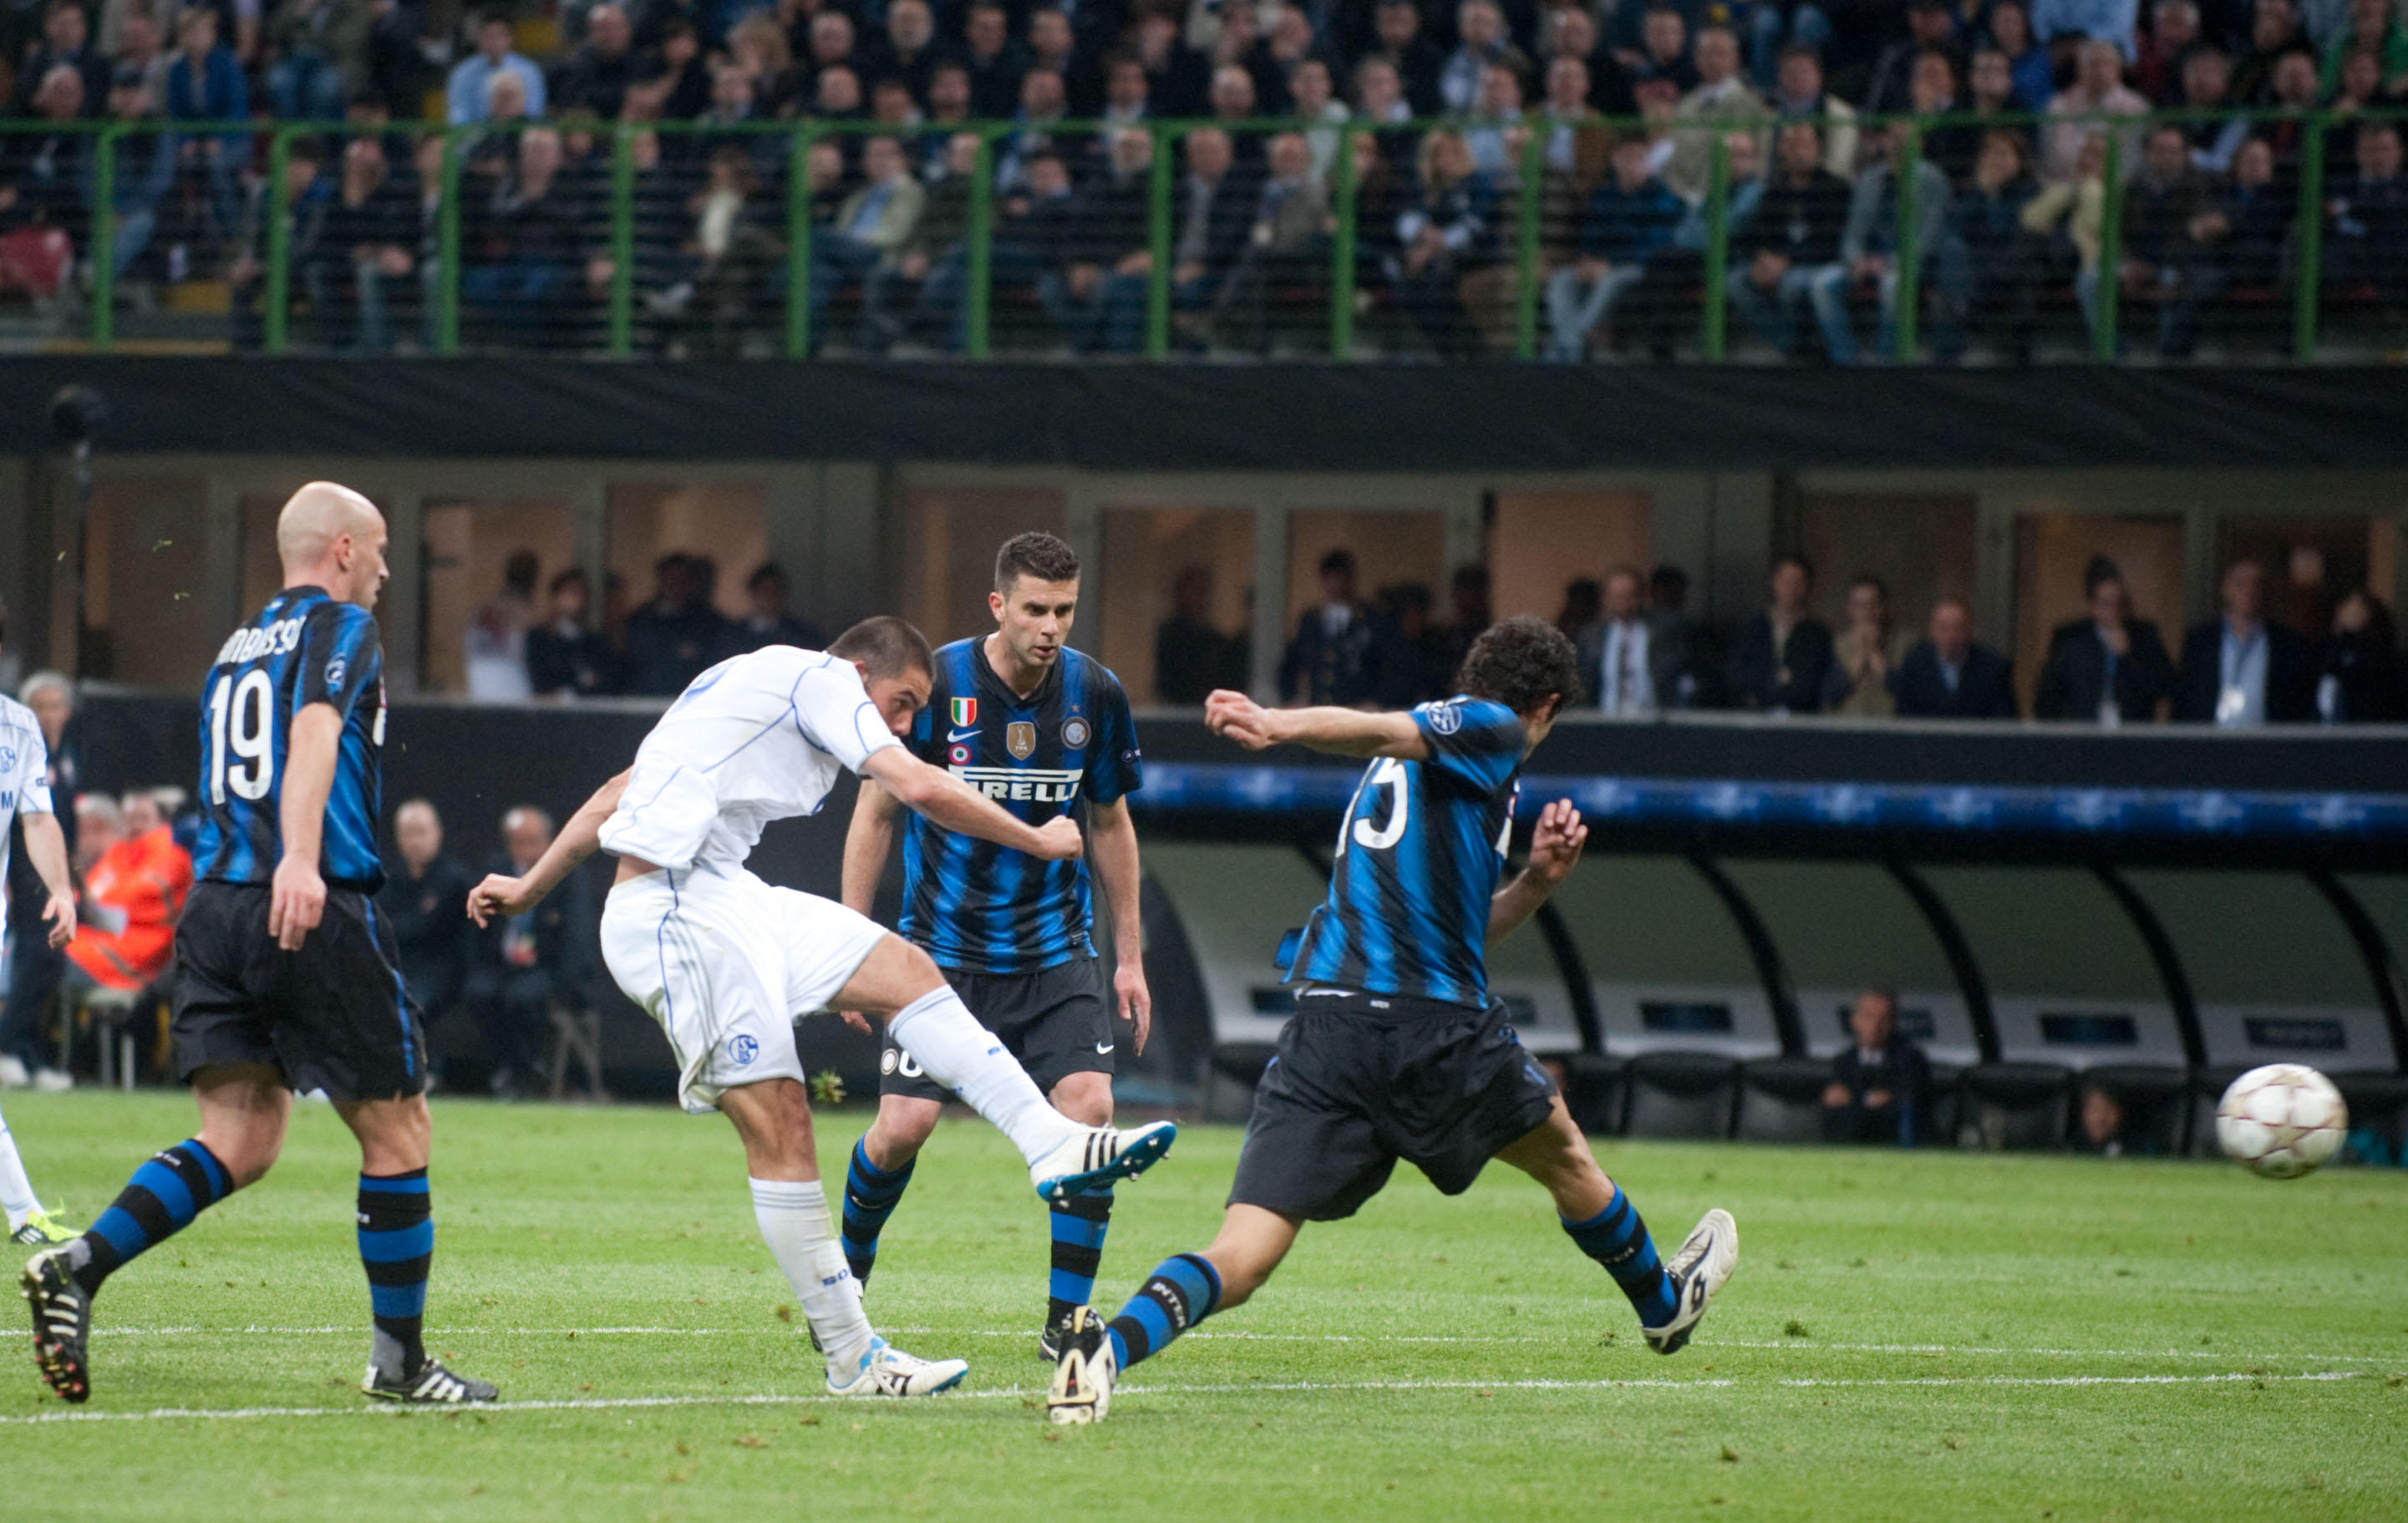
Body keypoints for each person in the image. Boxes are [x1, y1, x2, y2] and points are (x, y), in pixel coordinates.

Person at [1046, 617, 1738, 1425]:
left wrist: (1538, 883)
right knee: (1567, 1157)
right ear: (1544, 706)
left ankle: (1105, 1351)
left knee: (1244, 1252)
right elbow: (1381, 723)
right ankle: (1662, 1305)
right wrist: (1277, 723)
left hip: (1327, 1031)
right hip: (1434, 1031)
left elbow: (1458, 929)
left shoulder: (1419, 771)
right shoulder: (1490, 726)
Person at [464, 618, 1178, 1399]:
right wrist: (1036, 842)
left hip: (726, 893)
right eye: (901, 702)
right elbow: (918, 786)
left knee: (906, 968)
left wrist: (529, 887)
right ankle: (853, 1356)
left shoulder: (749, 681)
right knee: (783, 1120)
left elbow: (615, 793)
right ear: (863, 669)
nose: (904, 723)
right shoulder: (823, 680)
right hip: (673, 914)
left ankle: (1052, 1144)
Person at [24, 483, 497, 1407]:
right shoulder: (342, 627)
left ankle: (77, 1264)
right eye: (384, 549)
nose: (389, 570)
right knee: (398, 1130)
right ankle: (400, 1364)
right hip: (304, 903)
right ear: (347, 548)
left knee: (239, 1134)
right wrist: (306, 860)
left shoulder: (232, 648)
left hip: (215, 905)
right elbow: (316, 730)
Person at [836, 534, 1150, 1360]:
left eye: (1065, 610)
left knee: (1089, 1110)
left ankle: (1066, 1322)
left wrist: (1128, 956)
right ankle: (846, 1287)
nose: (1051, 626)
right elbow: (875, 812)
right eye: (1036, 608)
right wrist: (848, 941)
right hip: (939, 953)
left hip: (1054, 953)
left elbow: (1111, 821)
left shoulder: (1095, 691)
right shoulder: (936, 686)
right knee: (900, 1127)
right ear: (998, 605)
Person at [0, 607, 79, 1244]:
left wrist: (61, 887)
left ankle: (23, 1212)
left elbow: (38, 820)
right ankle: (23, 1212)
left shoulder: (19, 726)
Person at [461, 805, 593, 1099]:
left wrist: (565, 986)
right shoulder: (498, 870)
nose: (526, 849)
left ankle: (527, 1071)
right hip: (504, 967)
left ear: (548, 841)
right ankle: (511, 1068)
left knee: (522, 998)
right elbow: (478, 930)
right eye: (518, 842)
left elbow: (576, 939)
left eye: (533, 841)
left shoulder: (566, 875)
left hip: (544, 969)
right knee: (479, 992)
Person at [3, 669, 79, 1094]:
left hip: (48, 871)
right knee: (34, 956)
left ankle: (28, 1052)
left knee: (49, 960)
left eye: (54, 705)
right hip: (21, 870)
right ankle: (10, 1047)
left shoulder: (60, 757)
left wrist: (67, 883)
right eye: (40, 705)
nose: (47, 714)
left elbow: (50, 821)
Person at [63, 789, 191, 996]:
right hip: (94, 945)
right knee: (28, 949)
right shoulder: (119, 853)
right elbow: (87, 900)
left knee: (39, 957)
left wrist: (87, 909)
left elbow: (126, 907)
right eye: (129, 818)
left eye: (143, 818)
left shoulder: (173, 859)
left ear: (162, 821)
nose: (135, 825)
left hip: (130, 959)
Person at [378, 799, 475, 1056]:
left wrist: (401, 927)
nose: (415, 842)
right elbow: (379, 924)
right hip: (397, 964)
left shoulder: (454, 879)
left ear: (437, 833)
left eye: (421, 832)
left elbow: (430, 927)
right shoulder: (389, 879)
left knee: (413, 1001)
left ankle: (420, 1070)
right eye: (408, 834)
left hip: (443, 970)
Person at [2033, 556, 2178, 723]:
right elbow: (2047, 698)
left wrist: (2129, 656)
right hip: (2083, 734)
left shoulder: (2144, 635)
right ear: (2092, 605)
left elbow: (2165, 688)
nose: (2114, 611)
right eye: (2105, 604)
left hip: (2131, 734)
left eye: (2119, 603)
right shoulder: (2069, 637)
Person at [2174, 558, 2317, 723]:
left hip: (2268, 743)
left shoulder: (2287, 644)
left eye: (2257, 584)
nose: (2249, 591)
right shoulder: (2200, 641)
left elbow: (2299, 703)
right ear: (2226, 588)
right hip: (2210, 742)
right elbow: (2184, 700)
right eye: (2241, 584)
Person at [1576, 565, 1694, 715]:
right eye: (1618, 596)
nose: (1625, 602)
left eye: (1630, 595)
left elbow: (1676, 675)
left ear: (1642, 596)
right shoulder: (1591, 636)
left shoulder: (1664, 631)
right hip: (1604, 719)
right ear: (1605, 598)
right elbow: (1583, 681)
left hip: (1654, 719)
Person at [1821, 989, 1933, 1145]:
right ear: (1855, 1020)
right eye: (1869, 1017)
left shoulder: (1909, 1059)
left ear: (1894, 1023)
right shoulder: (1844, 1061)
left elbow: (1906, 1095)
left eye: (1884, 1019)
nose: (1876, 1026)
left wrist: (1856, 1099)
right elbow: (1835, 1095)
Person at [1730, 555, 1836, 713]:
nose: (1790, 589)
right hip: (1755, 718)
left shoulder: (1818, 635)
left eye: (1797, 583)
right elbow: (1740, 673)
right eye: (1785, 581)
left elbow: (1817, 681)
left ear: (1808, 587)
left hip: (1802, 720)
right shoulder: (1752, 629)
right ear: (1774, 582)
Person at [1280, 549, 1384, 707]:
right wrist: (1291, 697)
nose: (1337, 584)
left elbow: (1389, 666)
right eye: (1331, 578)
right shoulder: (1311, 620)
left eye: (1342, 578)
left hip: (1357, 710)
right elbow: (1291, 664)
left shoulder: (1372, 620)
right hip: (1318, 709)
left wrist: (1377, 701)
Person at [1892, 598, 2020, 718]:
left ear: (1970, 630)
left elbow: (2005, 720)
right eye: (1944, 628)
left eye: (1957, 628)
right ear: (1932, 631)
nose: (1951, 636)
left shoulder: (1993, 668)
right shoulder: (1915, 665)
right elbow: (1904, 714)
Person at [2314, 587, 2408, 723]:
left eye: (2355, 605)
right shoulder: (2329, 650)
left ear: (2369, 613)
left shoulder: (2382, 657)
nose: (2344, 610)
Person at [1823, 576, 1912, 717]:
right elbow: (1831, 694)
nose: (1866, 612)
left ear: (1882, 608)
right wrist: (1860, 654)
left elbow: (1906, 692)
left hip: (1889, 729)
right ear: (1850, 609)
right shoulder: (1835, 645)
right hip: (1846, 728)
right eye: (1860, 605)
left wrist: (1874, 652)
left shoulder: (1903, 644)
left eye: (1873, 605)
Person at [525, 567, 617, 697]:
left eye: (582, 594)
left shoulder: (595, 642)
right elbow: (541, 680)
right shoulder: (539, 638)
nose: (578, 600)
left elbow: (603, 682)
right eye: (572, 593)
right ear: (556, 597)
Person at [1156, 565, 1238, 704]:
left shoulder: (1215, 640)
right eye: (1192, 591)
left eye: (1202, 591)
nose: (1197, 598)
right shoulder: (1171, 636)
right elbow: (1169, 683)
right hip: (1178, 712)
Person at [723, 562, 827, 657]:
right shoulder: (733, 636)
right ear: (753, 593)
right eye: (765, 591)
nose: (770, 597)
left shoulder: (803, 635)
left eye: (775, 591)